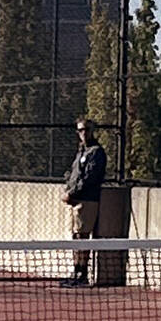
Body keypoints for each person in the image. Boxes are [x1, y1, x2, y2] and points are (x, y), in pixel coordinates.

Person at [59, 119, 107, 288]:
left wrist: (73, 193)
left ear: (92, 130)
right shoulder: (80, 152)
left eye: (86, 129)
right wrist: (67, 191)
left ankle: (82, 274)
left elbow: (90, 178)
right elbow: (73, 175)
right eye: (80, 130)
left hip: (87, 200)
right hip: (74, 201)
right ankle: (76, 271)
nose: (83, 133)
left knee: (83, 236)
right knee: (75, 236)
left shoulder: (97, 152)